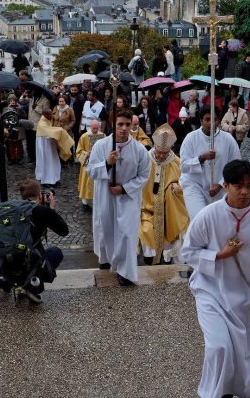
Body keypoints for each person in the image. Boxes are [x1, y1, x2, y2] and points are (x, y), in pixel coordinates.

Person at [180, 159, 250, 398]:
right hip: (211, 291)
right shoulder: (208, 215)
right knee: (219, 346)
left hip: (245, 297)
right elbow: (188, 252)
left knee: (240, 353)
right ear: (225, 185)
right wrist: (219, 255)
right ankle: (210, 396)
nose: (245, 191)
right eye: (238, 186)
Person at [86, 109, 149, 285]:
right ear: (114, 124)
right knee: (106, 228)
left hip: (128, 198)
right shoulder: (101, 145)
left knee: (127, 234)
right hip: (106, 195)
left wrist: (124, 188)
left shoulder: (139, 150)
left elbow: (144, 175)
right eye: (120, 124)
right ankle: (106, 260)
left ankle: (126, 272)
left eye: (127, 125)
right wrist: (107, 163)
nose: (123, 128)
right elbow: (91, 171)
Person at [139, 124, 189, 265]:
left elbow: (186, 182)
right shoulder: (145, 160)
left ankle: (168, 260)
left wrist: (177, 187)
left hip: (169, 211)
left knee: (172, 238)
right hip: (147, 209)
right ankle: (150, 262)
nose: (161, 156)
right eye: (159, 152)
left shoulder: (176, 162)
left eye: (164, 153)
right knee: (147, 233)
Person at [180, 108, 241, 220]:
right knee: (199, 219)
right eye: (207, 119)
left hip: (221, 188)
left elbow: (236, 166)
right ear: (201, 121)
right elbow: (183, 166)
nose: (211, 123)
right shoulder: (190, 138)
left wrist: (221, 184)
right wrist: (202, 158)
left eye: (214, 119)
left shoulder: (228, 139)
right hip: (195, 186)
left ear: (218, 121)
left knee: (219, 221)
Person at [35, 108, 73, 188]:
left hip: (49, 144)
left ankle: (54, 179)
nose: (51, 116)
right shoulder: (42, 123)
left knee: (54, 160)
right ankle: (46, 180)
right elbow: (49, 131)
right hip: (44, 145)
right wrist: (60, 130)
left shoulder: (48, 120)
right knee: (46, 162)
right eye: (49, 114)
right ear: (44, 115)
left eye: (51, 113)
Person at [75, 118, 104, 207]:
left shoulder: (103, 136)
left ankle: (98, 199)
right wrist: (87, 153)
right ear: (90, 127)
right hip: (87, 162)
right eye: (94, 128)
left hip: (99, 162)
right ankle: (85, 200)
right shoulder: (84, 136)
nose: (95, 130)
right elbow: (79, 151)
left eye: (97, 128)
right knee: (86, 181)